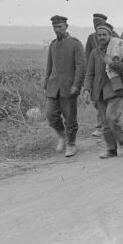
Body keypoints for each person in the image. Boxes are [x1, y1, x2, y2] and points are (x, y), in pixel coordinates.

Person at [83, 23, 123, 159]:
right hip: (99, 91)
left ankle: (122, 142)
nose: (102, 37)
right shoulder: (94, 53)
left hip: (116, 89)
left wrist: (111, 63)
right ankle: (111, 149)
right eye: (99, 35)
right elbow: (90, 73)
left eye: (105, 34)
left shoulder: (119, 48)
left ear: (110, 35)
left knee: (112, 118)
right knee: (105, 123)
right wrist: (87, 89)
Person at [44, 15, 86, 157]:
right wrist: (46, 83)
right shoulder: (53, 45)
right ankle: (62, 136)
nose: (57, 30)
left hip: (69, 87)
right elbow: (49, 66)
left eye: (60, 27)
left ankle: (71, 144)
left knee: (70, 118)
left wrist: (77, 85)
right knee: (51, 115)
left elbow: (81, 67)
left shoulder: (75, 44)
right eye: (55, 27)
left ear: (66, 26)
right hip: (53, 86)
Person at [85, 13, 118, 138]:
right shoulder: (91, 38)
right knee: (97, 102)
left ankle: (103, 126)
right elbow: (88, 57)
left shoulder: (114, 36)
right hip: (97, 75)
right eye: (94, 24)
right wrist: (87, 83)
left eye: (98, 24)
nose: (96, 27)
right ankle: (105, 125)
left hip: (112, 76)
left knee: (109, 103)